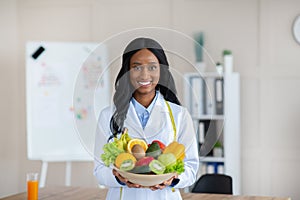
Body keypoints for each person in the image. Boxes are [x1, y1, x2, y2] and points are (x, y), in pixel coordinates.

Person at [94, 37, 199, 199]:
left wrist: (173, 179)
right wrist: (118, 178)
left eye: (152, 67)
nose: (144, 75)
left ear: (161, 70)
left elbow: (191, 168)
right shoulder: (108, 115)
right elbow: (100, 170)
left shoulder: (180, 115)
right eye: (136, 67)